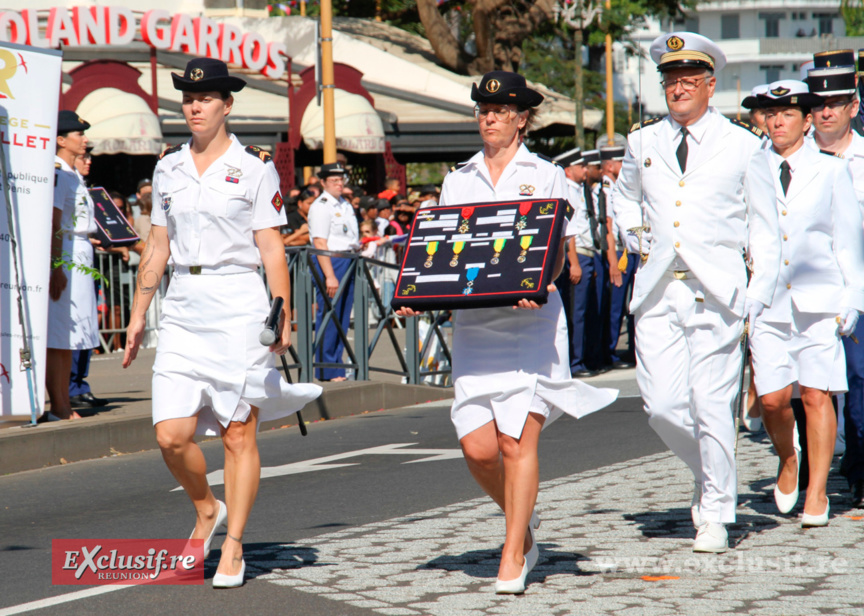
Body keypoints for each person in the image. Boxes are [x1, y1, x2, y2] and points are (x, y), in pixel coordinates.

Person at [396, 71, 617, 594]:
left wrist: (537, 280)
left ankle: (514, 549)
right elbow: (446, 253)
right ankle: (523, 515)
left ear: (521, 120)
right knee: (477, 448)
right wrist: (417, 295)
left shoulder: (545, 175)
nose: (488, 118)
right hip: (476, 326)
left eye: (499, 111)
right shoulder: (459, 177)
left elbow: (563, 256)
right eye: (482, 111)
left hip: (530, 325)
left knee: (516, 442)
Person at [122, 58, 322, 588]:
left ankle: (234, 543)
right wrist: (139, 314)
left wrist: (281, 312)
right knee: (170, 435)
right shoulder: (167, 167)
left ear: (226, 104)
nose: (194, 105)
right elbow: (157, 246)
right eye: (188, 97)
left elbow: (272, 250)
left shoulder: (255, 167)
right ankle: (206, 507)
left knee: (238, 433)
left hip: (238, 301)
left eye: (206, 97)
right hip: (184, 304)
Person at [612, 32, 781, 552]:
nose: (677, 88)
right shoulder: (643, 141)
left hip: (718, 290)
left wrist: (758, 290)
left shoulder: (743, 145)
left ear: (711, 86)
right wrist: (635, 236)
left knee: (711, 404)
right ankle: (713, 479)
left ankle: (715, 512)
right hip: (658, 288)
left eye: (688, 80)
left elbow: (764, 225)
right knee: (662, 406)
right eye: (670, 80)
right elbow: (623, 199)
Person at [750, 80, 864, 527]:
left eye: (788, 114)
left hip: (820, 299)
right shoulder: (752, 167)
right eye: (770, 114)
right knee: (774, 400)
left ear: (806, 120)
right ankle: (788, 457)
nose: (777, 121)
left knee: (818, 395)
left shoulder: (832, 170)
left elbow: (847, 242)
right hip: (767, 298)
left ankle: (816, 490)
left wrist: (853, 299)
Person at [806, 56, 864, 506]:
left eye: (837, 103)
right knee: (806, 387)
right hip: (807, 287)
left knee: (861, 381)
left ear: (853, 106)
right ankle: (813, 476)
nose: (827, 112)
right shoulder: (786, 159)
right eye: (819, 103)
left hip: (858, 285)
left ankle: (861, 469)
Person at [43, 111, 102, 422]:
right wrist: (56, 267)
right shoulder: (57, 173)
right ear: (61, 140)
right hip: (65, 253)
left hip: (79, 252)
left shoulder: (71, 173)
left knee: (72, 336)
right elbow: (54, 222)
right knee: (59, 336)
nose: (84, 139)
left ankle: (64, 403)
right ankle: (59, 406)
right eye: (79, 134)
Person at [307, 162, 360, 381]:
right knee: (329, 314)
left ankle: (337, 364)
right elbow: (320, 242)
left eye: (341, 180)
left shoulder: (344, 204)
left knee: (342, 316)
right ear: (323, 183)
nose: (339, 184)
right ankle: (326, 368)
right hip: (331, 261)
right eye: (334, 180)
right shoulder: (321, 206)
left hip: (347, 258)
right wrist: (329, 275)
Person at [67, 145, 109, 409]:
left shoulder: (81, 182)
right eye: (84, 156)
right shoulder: (64, 177)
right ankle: (71, 387)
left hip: (85, 253)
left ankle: (80, 384)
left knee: (87, 323)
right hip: (71, 257)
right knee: (75, 324)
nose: (89, 161)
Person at [553, 148, 602, 378]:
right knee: (576, 313)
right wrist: (574, 262)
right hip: (577, 255)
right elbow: (569, 232)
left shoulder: (578, 189)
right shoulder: (567, 190)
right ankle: (575, 362)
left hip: (586, 253)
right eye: (580, 166)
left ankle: (581, 359)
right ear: (568, 170)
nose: (586, 170)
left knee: (585, 312)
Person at [600, 145, 636, 369]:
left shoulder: (617, 186)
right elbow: (608, 226)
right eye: (621, 162)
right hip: (618, 253)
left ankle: (632, 349)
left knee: (631, 305)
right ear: (611, 165)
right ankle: (610, 352)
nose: (624, 166)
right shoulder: (605, 188)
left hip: (628, 251)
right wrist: (613, 262)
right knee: (615, 307)